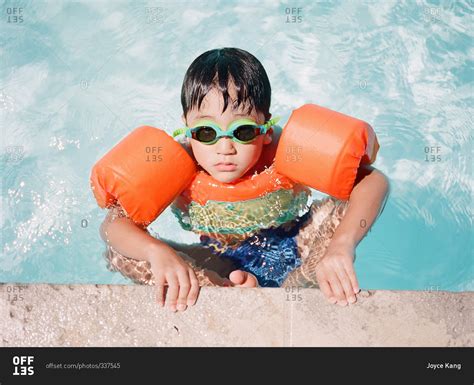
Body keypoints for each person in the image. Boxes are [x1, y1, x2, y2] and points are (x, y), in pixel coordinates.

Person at [100, 47, 389, 312]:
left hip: (297, 244)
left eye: (243, 131)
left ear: (265, 129)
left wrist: (341, 245)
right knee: (122, 253)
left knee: (341, 211)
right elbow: (113, 225)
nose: (224, 148)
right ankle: (224, 291)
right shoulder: (178, 163)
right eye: (206, 133)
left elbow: (374, 182)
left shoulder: (287, 151)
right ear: (186, 127)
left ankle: (286, 290)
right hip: (218, 260)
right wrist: (157, 251)